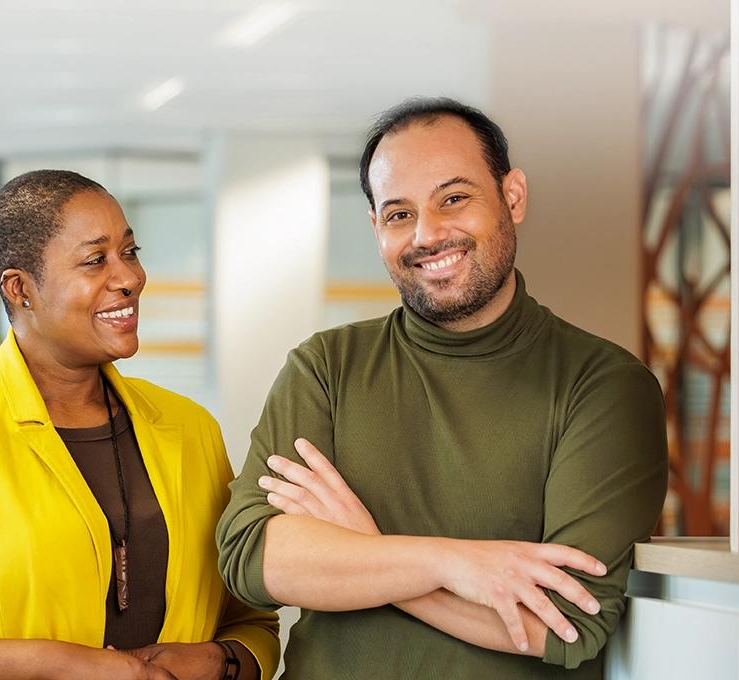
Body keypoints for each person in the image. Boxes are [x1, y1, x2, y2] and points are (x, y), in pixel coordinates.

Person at [215, 97, 667, 678]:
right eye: (399, 214)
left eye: (453, 198)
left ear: (513, 196)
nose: (427, 234)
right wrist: (453, 563)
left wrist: (363, 547)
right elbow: (253, 559)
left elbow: (563, 625)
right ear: (376, 227)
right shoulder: (325, 368)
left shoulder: (603, 387)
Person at [0, 170, 280, 680]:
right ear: (20, 289)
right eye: (95, 260)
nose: (130, 277)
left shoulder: (191, 428)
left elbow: (251, 615)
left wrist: (224, 662)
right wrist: (56, 665)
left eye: (130, 252)